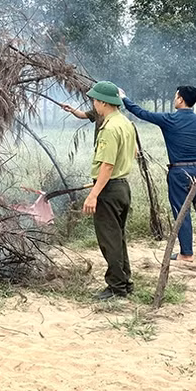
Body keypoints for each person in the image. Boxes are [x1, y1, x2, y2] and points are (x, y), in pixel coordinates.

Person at [120, 86, 196, 261]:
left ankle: (186, 253)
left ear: (180, 99)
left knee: (181, 211)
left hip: (179, 171)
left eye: (176, 96)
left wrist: (123, 98)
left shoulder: (169, 119)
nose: (175, 99)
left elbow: (141, 113)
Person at [83, 81, 137, 300]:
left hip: (109, 189)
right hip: (122, 186)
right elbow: (133, 153)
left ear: (104, 102)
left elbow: (107, 165)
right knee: (118, 237)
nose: (94, 104)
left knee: (109, 240)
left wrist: (94, 194)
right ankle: (125, 281)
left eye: (95, 100)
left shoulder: (109, 128)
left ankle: (116, 287)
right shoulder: (125, 123)